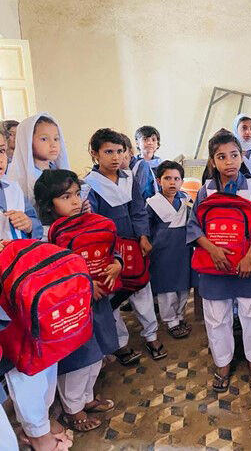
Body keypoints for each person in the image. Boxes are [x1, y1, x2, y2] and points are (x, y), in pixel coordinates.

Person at [34, 169, 119, 433]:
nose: (74, 201)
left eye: (77, 194)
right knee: (78, 358)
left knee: (96, 355)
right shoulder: (46, 234)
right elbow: (53, 275)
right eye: (65, 196)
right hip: (71, 306)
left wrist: (116, 263)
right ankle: (74, 410)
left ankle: (86, 398)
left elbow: (106, 247)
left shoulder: (86, 222)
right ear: (49, 204)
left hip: (97, 299)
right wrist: (83, 285)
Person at [0, 132, 68, 451]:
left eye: (1, 151)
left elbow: (37, 230)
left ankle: (38, 421)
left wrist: (28, 225)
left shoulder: (12, 189)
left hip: (24, 283)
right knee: (21, 362)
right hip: (4, 294)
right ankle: (38, 434)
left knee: (42, 350)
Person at [187, 130, 251, 391]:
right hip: (214, 266)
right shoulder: (205, 191)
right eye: (222, 157)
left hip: (247, 265)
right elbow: (194, 226)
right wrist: (211, 249)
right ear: (213, 161)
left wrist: (250, 257)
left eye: (234, 155)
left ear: (242, 156)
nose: (229, 161)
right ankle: (223, 363)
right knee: (216, 316)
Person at [84, 128, 165, 364]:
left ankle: (151, 335)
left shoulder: (128, 177)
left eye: (120, 151)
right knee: (112, 299)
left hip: (134, 246)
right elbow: (94, 226)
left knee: (142, 289)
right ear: (95, 153)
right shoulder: (90, 186)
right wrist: (108, 255)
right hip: (107, 253)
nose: (115, 157)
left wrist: (143, 236)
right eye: (108, 151)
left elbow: (138, 210)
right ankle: (119, 343)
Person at [146, 161, 193, 339]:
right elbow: (146, 227)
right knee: (167, 288)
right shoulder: (152, 203)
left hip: (183, 249)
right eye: (167, 178)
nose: (172, 182)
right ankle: (170, 320)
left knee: (183, 286)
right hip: (162, 251)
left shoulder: (186, 200)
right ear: (159, 181)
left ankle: (180, 316)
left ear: (181, 181)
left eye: (176, 178)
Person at [7, 113, 70, 204]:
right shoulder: (18, 178)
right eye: (44, 139)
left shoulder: (59, 171)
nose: (53, 144)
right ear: (28, 142)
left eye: (56, 139)